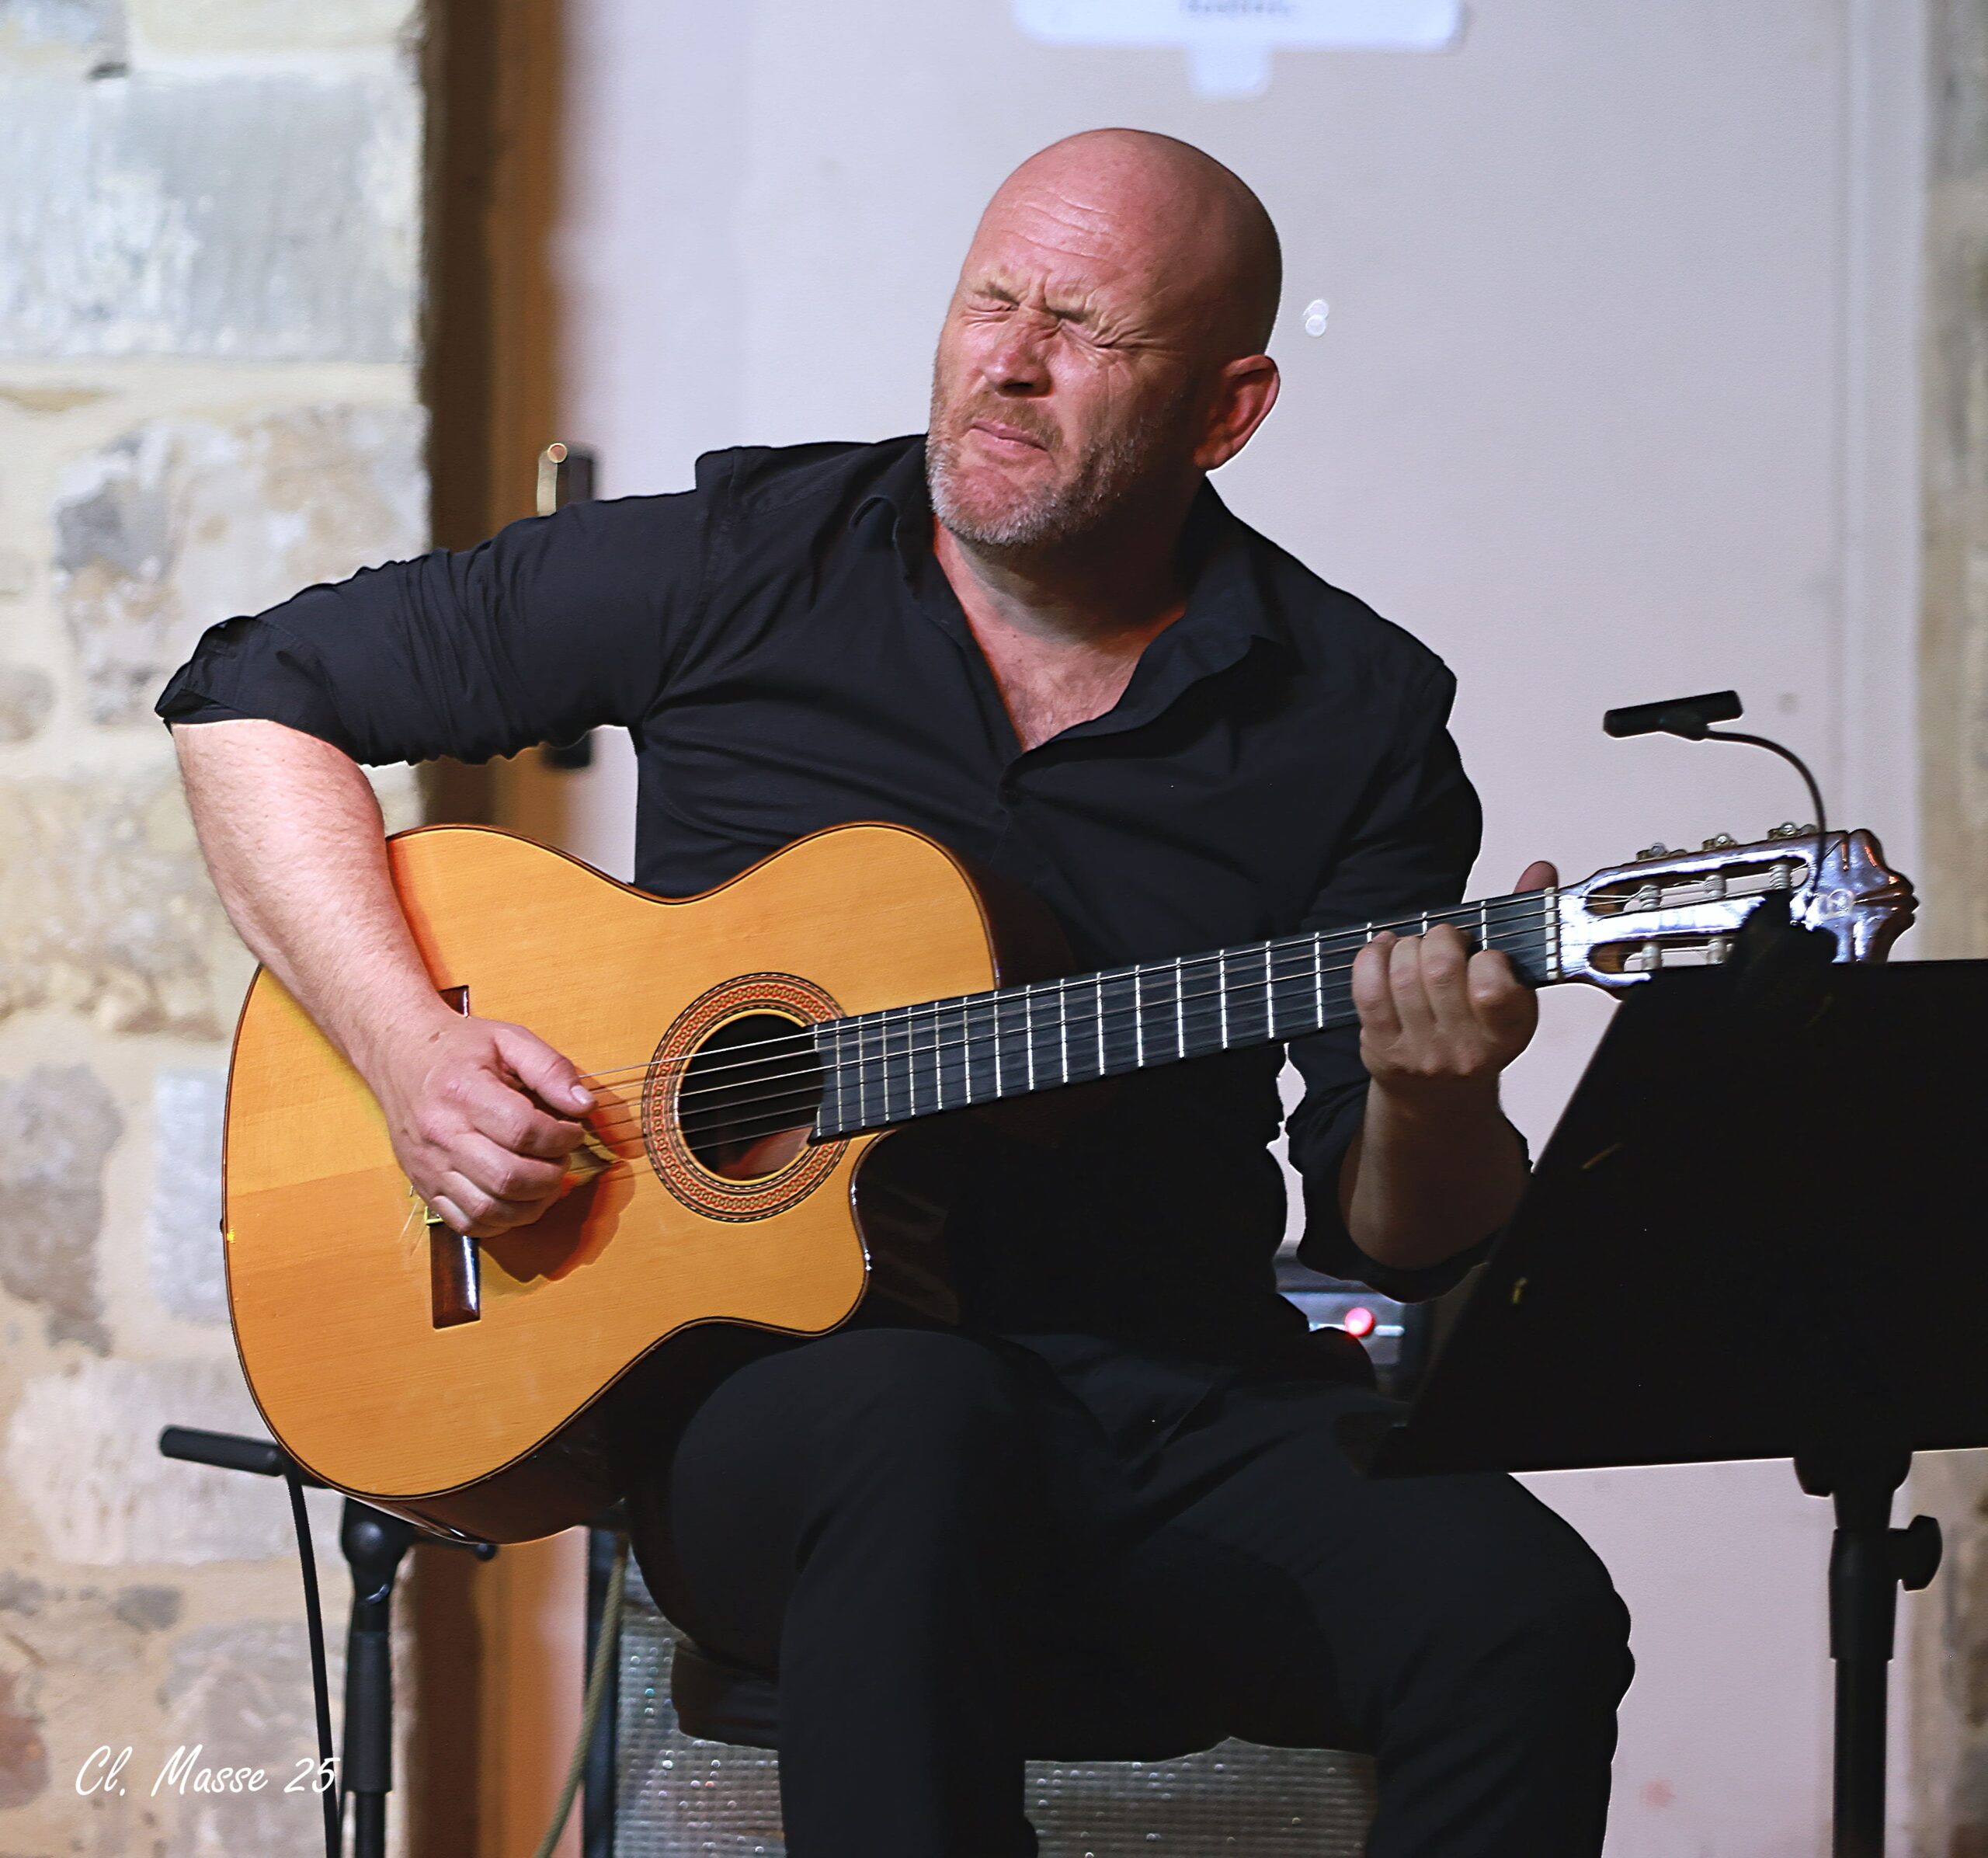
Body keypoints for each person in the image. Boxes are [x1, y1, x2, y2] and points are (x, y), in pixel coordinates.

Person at [159, 128, 1632, 1856]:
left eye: (1085, 330)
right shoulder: (742, 562)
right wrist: (411, 1048)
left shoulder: (1352, 708)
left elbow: (1399, 1240)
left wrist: (1439, 1098)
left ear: (1225, 411)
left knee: (1519, 1613)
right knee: (921, 1419)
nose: (1009, 363)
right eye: (988, 303)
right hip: (785, 1425)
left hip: (1170, 1408)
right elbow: (246, 697)